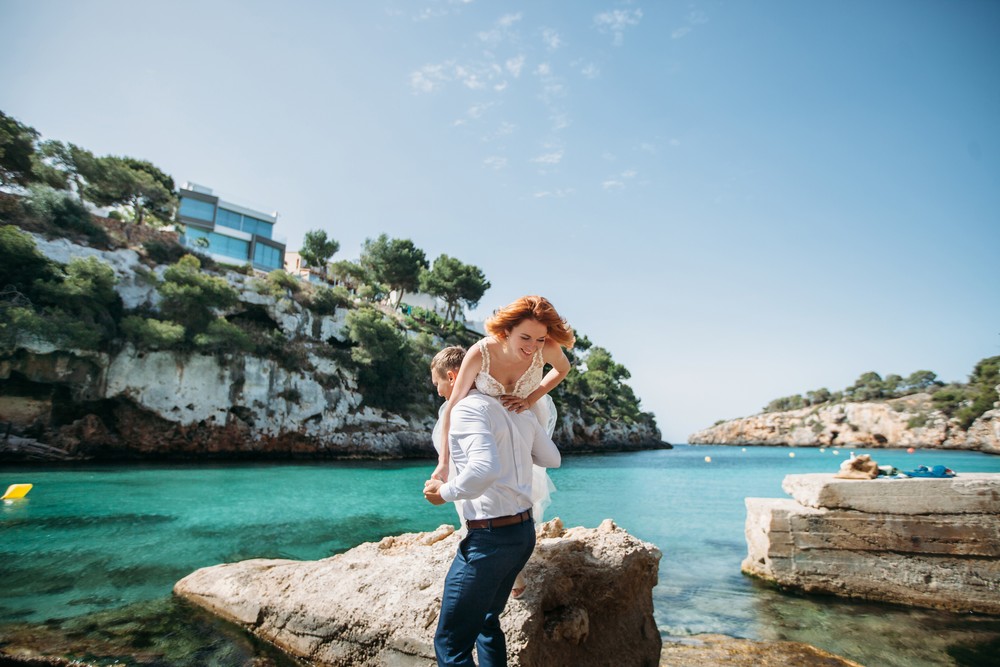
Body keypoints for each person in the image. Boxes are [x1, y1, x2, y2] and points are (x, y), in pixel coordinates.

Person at [431, 295, 575, 597]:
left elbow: (562, 369)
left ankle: (516, 565)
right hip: (482, 422)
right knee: (477, 480)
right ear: (505, 331)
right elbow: (454, 407)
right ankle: (476, 542)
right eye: (525, 337)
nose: (532, 346)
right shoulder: (480, 353)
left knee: (526, 486)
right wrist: (443, 464)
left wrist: (530, 399)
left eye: (539, 338)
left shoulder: (545, 347)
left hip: (523, 415)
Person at [423, 387, 561, 667]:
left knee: (451, 647)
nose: (438, 391)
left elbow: (484, 470)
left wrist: (444, 492)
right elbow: (552, 459)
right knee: (487, 620)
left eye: (438, 382)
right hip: (523, 534)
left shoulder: (466, 408)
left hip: (489, 540)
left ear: (454, 376)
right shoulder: (516, 410)